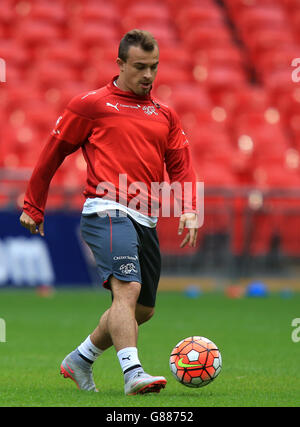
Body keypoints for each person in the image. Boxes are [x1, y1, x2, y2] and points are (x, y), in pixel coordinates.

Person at [19, 29, 199, 395]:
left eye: (154, 67)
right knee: (127, 288)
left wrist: (190, 208)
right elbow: (51, 154)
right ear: (119, 64)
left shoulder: (165, 114)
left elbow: (181, 165)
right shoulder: (92, 105)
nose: (148, 75)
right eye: (139, 67)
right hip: (107, 210)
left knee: (142, 310)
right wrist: (33, 205)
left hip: (145, 218)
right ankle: (133, 373)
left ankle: (80, 359)